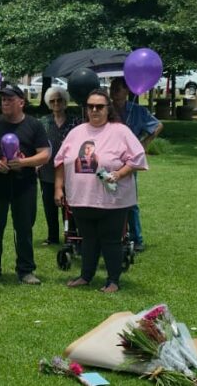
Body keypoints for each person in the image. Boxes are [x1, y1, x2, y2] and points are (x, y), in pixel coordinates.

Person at [54, 90, 148, 293]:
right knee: (87, 240)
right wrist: (58, 188)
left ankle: (113, 280)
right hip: (80, 198)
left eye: (99, 106)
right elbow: (61, 160)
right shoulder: (77, 132)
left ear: (108, 109)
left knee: (111, 240)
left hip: (112, 200)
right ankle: (86, 276)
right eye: (90, 106)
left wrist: (119, 174)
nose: (94, 110)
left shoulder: (120, 131)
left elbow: (138, 158)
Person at [0, 85, 50, 285]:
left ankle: (26, 271)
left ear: (21, 102)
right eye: (3, 99)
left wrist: (24, 163)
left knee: (24, 229)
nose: (5, 102)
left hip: (24, 186)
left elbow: (45, 153)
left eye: (10, 99)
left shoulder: (34, 125)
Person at [110, 77, 163, 252]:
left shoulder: (137, 111)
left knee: (129, 199)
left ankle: (136, 238)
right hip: (108, 158)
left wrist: (145, 142)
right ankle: (110, 234)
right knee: (106, 197)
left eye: (118, 89)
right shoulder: (106, 109)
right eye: (112, 88)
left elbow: (157, 125)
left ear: (127, 92)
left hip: (129, 161)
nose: (114, 92)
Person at [38, 86, 81, 245]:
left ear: (65, 102)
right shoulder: (42, 122)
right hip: (47, 170)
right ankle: (52, 237)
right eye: (53, 101)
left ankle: (71, 236)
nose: (56, 103)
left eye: (59, 100)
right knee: (49, 207)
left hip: (69, 171)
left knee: (69, 206)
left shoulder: (76, 121)